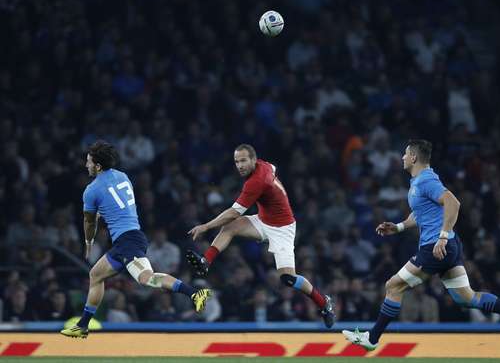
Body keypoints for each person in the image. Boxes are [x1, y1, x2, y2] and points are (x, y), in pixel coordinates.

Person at [343, 139, 500, 351]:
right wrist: (399, 227)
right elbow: (421, 213)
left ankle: (372, 339)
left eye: (405, 153)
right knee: (467, 297)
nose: (402, 157)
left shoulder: (426, 180)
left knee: (393, 285)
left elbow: (453, 203)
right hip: (447, 246)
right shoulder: (420, 181)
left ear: (413, 157)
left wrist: (442, 237)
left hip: (435, 247)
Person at [61, 140, 211, 339]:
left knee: (146, 279)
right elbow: (119, 204)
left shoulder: (91, 190)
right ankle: (82, 326)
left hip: (127, 241)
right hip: (129, 238)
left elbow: (89, 224)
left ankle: (194, 293)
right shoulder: (122, 176)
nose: (85, 165)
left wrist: (88, 242)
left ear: (97, 166)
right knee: (96, 275)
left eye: (88, 162)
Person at [185, 144, 335, 327]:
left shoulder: (256, 181)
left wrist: (206, 226)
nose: (239, 165)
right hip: (263, 220)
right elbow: (273, 169)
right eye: (236, 161)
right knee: (231, 227)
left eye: (243, 161)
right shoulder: (266, 166)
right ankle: (205, 262)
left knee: (288, 278)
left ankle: (323, 303)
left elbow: (233, 212)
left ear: (253, 160)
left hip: (282, 228)